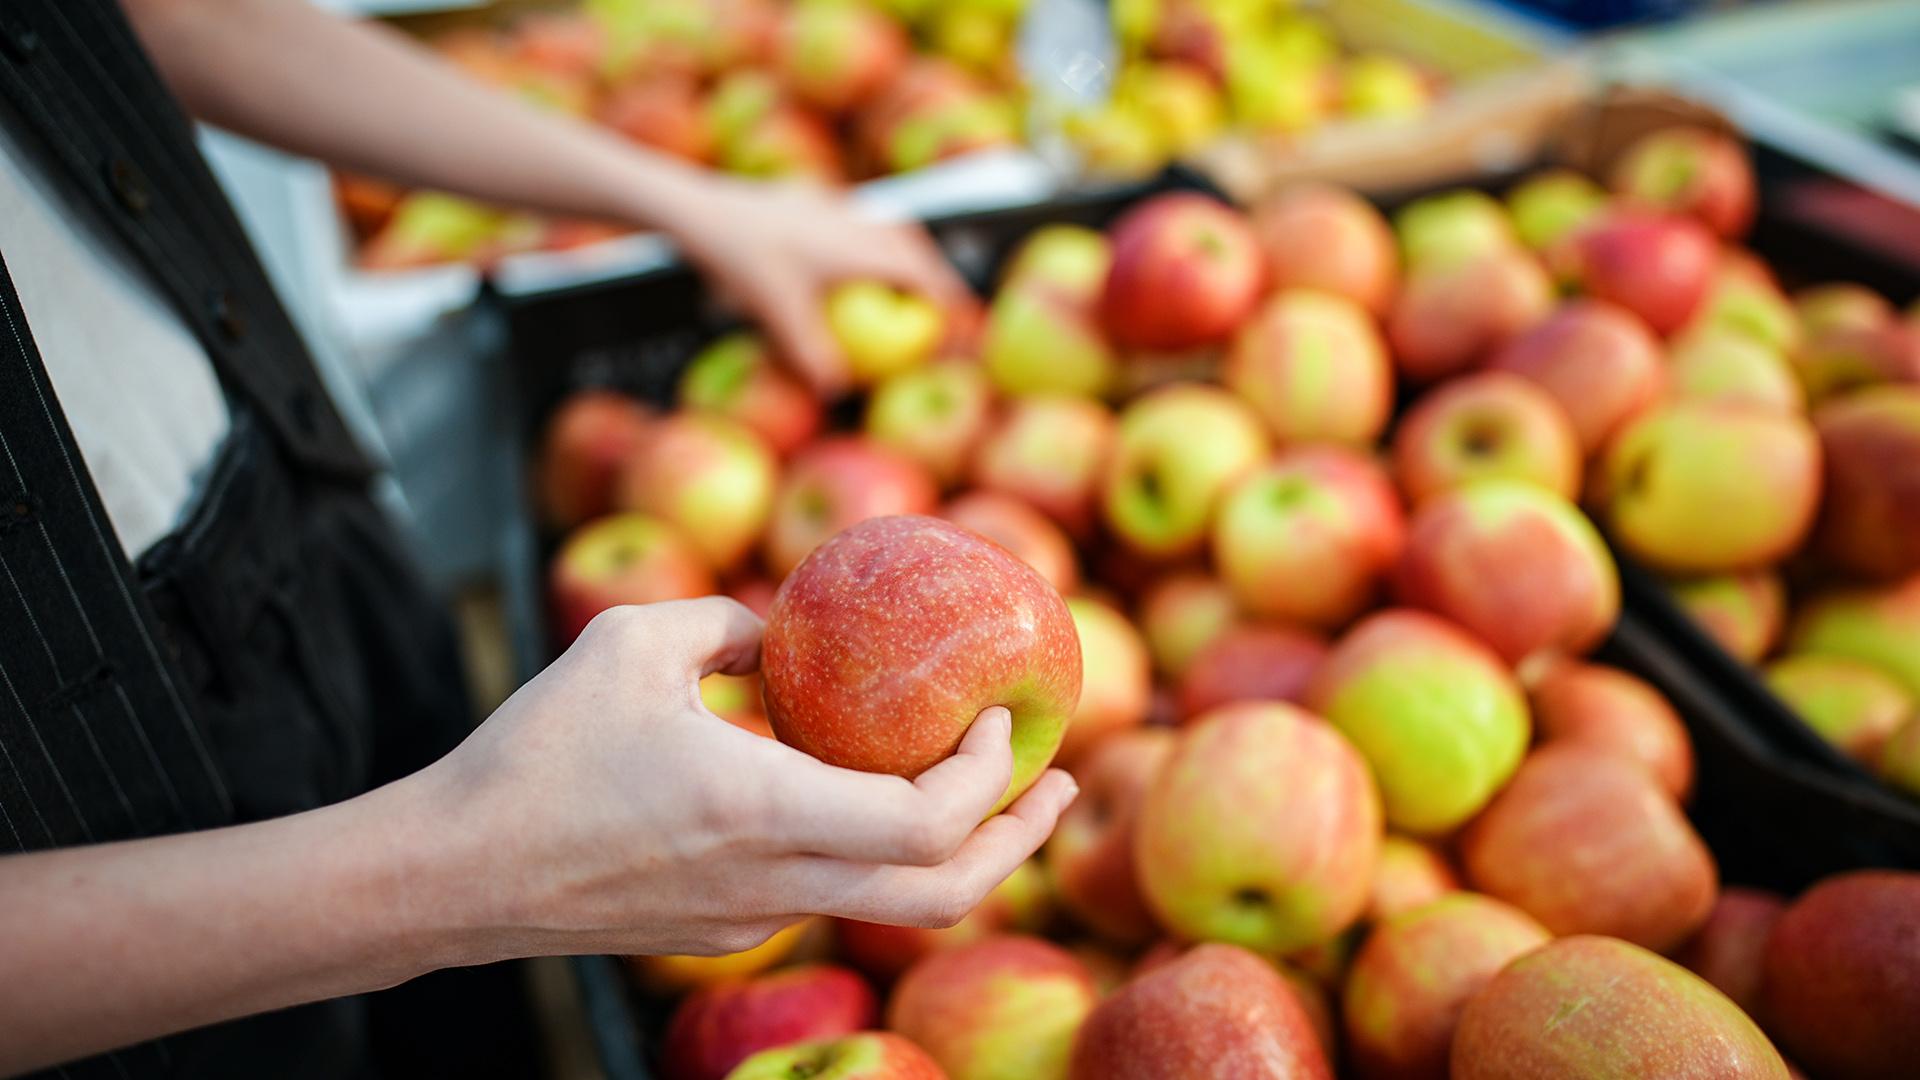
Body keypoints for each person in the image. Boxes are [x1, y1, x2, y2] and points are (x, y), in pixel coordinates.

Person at [0, 1, 1078, 1076]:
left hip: (273, 476)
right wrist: (464, 877)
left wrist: (686, 200)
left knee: (467, 1032)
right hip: (65, 801)